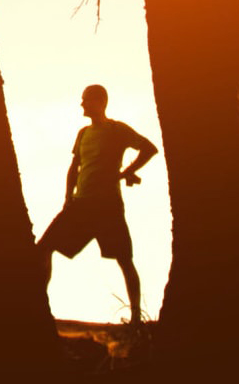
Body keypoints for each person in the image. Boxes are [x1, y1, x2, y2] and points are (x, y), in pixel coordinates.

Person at [39, 83, 160, 323]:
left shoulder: (117, 130)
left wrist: (126, 172)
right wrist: (67, 198)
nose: (82, 104)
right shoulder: (83, 133)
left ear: (100, 102)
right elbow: (75, 167)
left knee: (125, 259)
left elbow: (149, 148)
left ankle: (136, 316)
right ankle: (40, 306)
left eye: (86, 100)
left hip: (108, 207)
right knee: (43, 248)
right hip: (80, 205)